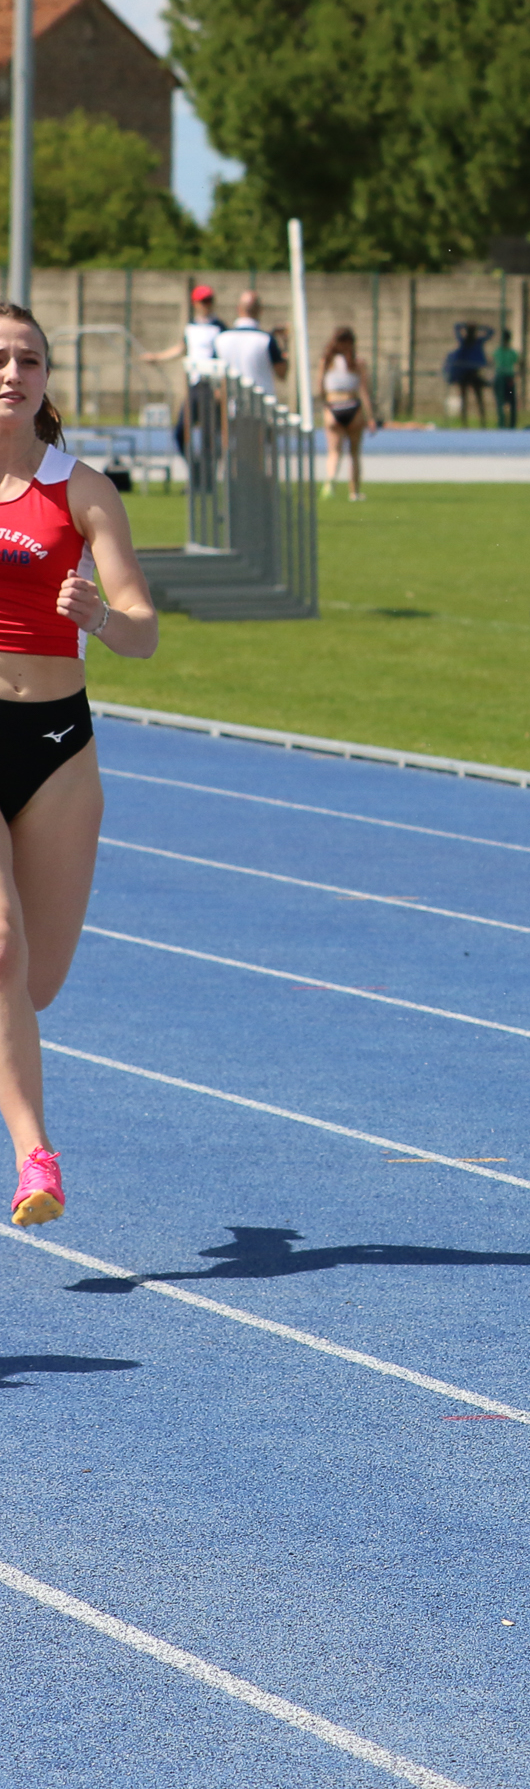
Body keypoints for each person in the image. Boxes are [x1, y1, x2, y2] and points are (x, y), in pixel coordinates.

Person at [0, 302, 162, 1228]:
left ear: (47, 379)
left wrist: (99, 615)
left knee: (36, 984)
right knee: (1, 948)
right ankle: (35, 1157)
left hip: (57, 744)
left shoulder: (82, 489)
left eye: (28, 359)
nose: (12, 372)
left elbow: (143, 631)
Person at [139, 286, 227, 485]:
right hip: (195, 385)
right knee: (181, 432)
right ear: (196, 303)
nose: (207, 305)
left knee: (209, 437)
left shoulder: (219, 327)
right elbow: (182, 348)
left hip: (211, 385)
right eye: (203, 301)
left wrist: (221, 388)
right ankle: (197, 474)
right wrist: (157, 357)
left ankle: (208, 480)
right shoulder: (191, 327)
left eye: (209, 300)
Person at [320, 328, 371, 502]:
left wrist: (325, 405)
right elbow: (364, 391)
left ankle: (330, 481)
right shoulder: (358, 363)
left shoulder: (327, 361)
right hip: (352, 405)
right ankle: (354, 492)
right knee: (354, 453)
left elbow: (320, 386)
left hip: (333, 404)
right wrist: (370, 417)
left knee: (334, 451)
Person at [213, 292, 288, 403]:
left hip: (231, 405)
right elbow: (282, 373)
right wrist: (285, 346)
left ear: (238, 309)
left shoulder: (220, 339)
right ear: (260, 311)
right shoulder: (266, 340)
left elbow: (215, 380)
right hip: (262, 406)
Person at [443, 322, 491, 425]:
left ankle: (481, 421)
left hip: (473, 373)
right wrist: (474, 327)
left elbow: (457, 328)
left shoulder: (476, 342)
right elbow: (490, 332)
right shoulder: (464, 342)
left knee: (477, 397)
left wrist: (472, 326)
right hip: (464, 373)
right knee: (467, 398)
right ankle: (466, 422)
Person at [493, 329, 523, 430]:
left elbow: (520, 362)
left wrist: (517, 375)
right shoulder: (499, 352)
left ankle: (511, 426)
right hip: (501, 379)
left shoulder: (511, 352)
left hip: (508, 379)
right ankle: (502, 425)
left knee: (511, 403)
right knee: (501, 402)